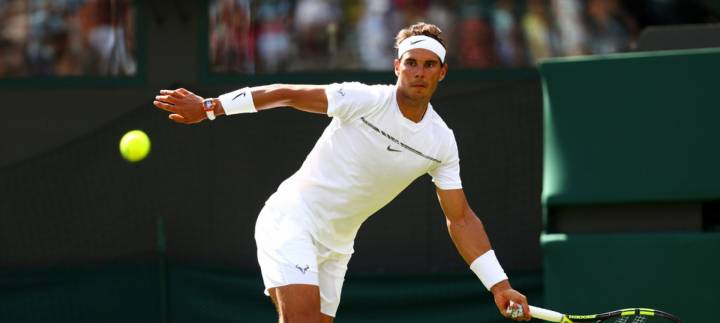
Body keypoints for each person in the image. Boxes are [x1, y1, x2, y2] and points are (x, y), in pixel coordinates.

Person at [153, 22, 531, 323]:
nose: (418, 72)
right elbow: (286, 93)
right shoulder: (364, 100)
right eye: (411, 63)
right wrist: (209, 107)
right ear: (397, 66)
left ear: (442, 72)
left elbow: (461, 219)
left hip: (337, 245)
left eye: (428, 64)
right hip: (292, 219)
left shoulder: (441, 142)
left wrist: (499, 285)